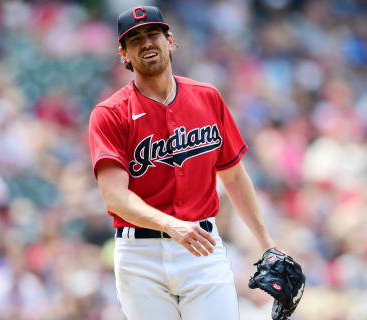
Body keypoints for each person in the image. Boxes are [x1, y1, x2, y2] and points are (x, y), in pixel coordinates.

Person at [88, 6, 274, 320]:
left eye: (153, 34)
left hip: (202, 249)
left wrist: (267, 244)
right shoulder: (110, 114)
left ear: (170, 40)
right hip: (140, 256)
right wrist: (170, 225)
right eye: (135, 40)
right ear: (124, 54)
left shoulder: (207, 98)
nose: (146, 43)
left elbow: (234, 176)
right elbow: (114, 197)